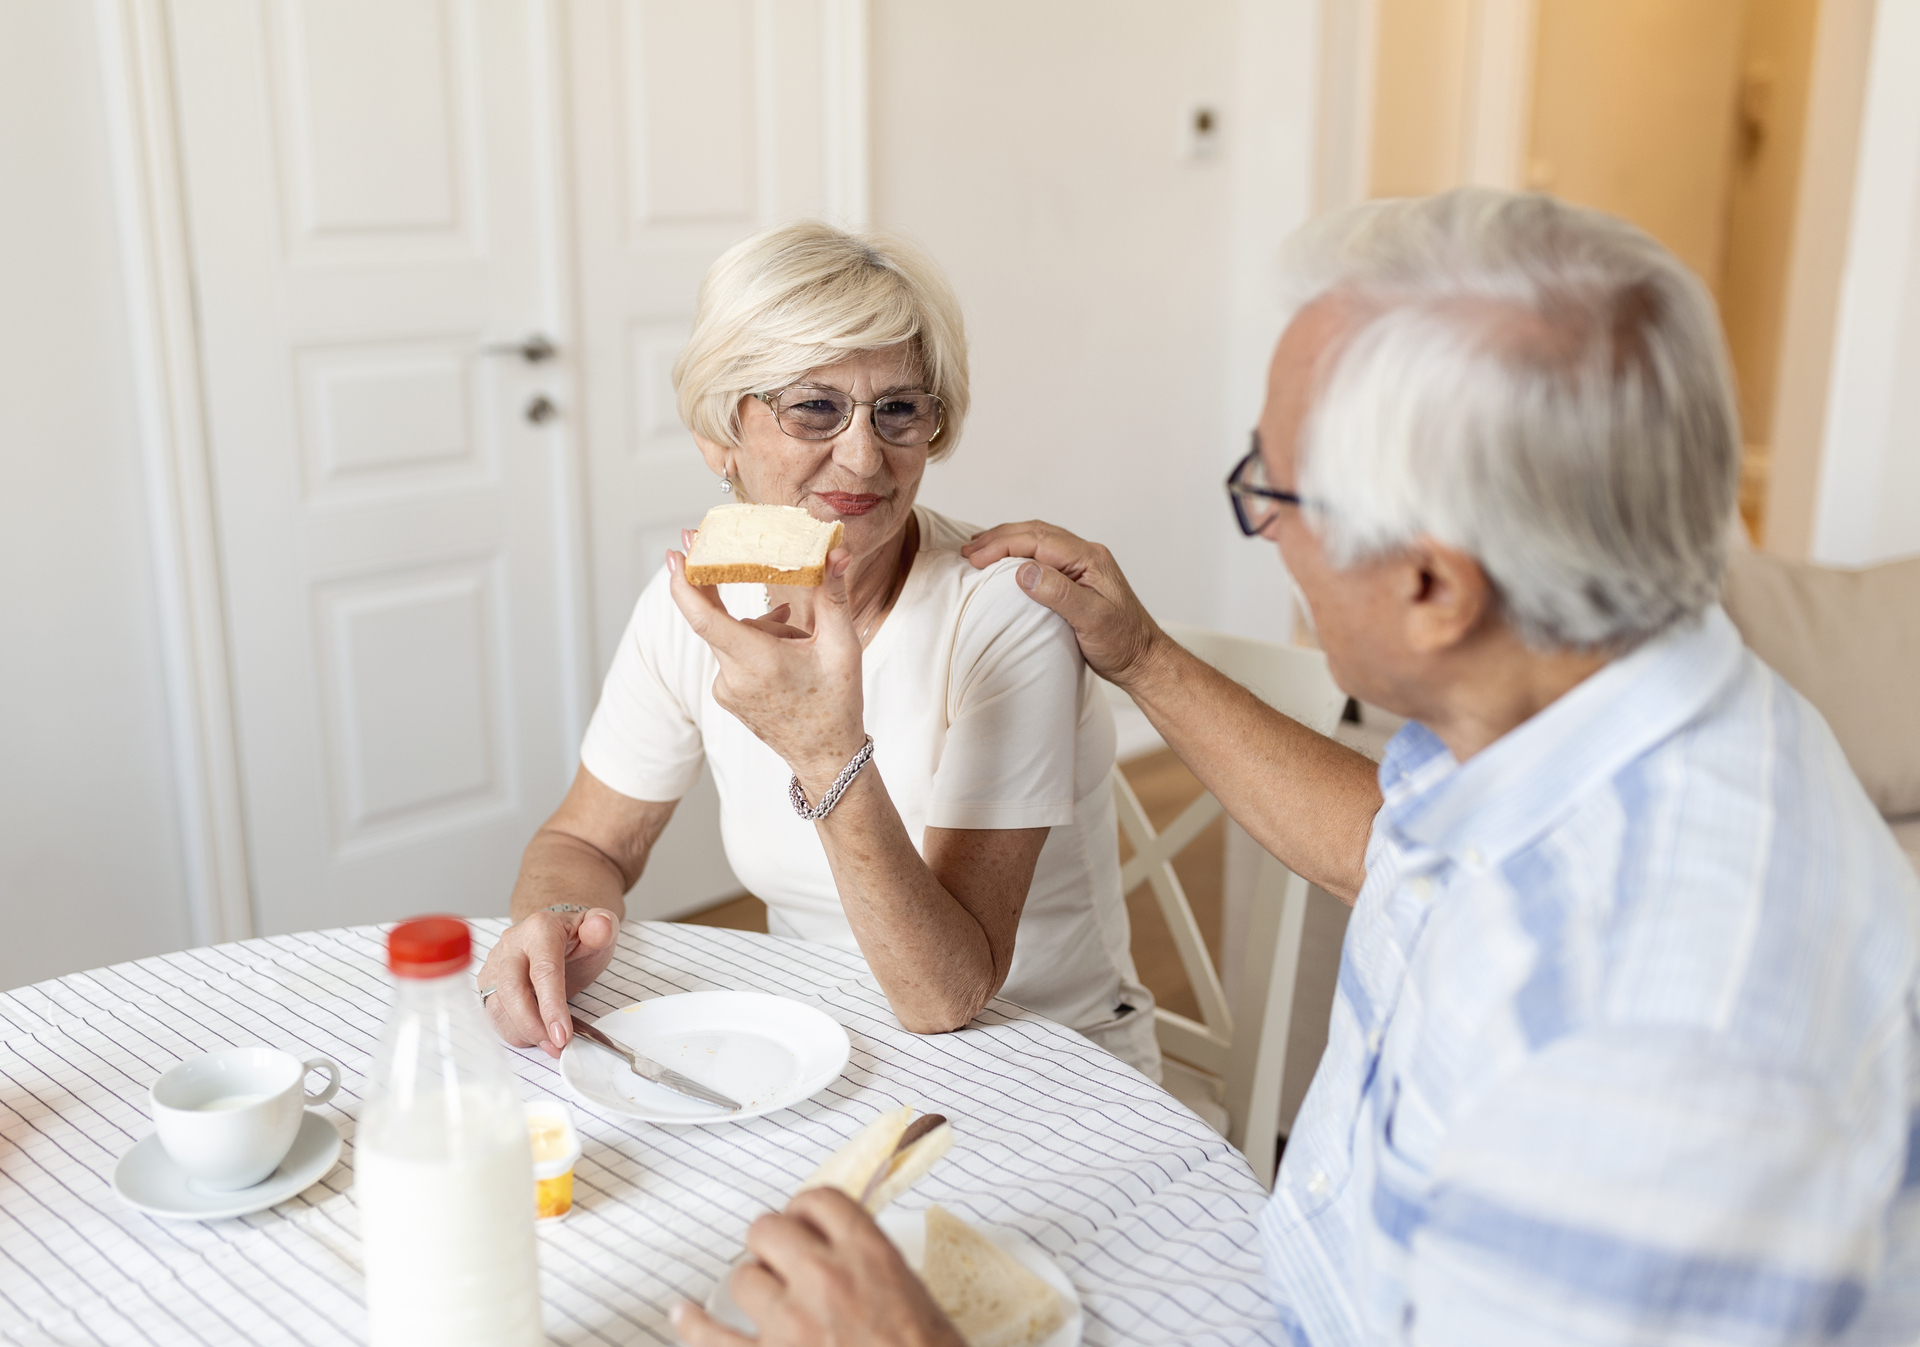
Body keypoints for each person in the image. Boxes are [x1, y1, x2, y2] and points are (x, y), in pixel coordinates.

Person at [671, 190, 1920, 1345]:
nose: (1259, 525)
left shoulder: (1645, 1053)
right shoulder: (1604, 691)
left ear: (1432, 586)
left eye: (1270, 488)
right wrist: (1145, 656)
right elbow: (1399, 854)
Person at [476, 220, 1159, 1078]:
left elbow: (947, 995)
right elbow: (589, 842)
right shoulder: (699, 604)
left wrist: (821, 743)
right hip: (821, 1045)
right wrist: (555, 917)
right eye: (813, 406)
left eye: (900, 409)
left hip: (1041, 1062)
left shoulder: (1004, 611)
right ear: (721, 436)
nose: (865, 455)